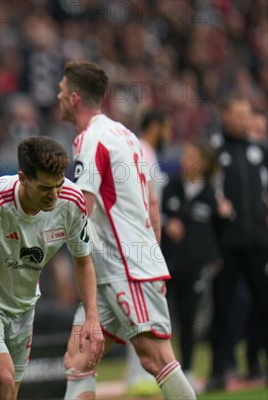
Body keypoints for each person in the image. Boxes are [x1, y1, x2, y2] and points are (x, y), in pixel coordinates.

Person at [58, 61, 197, 399]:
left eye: (61, 90)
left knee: (156, 358)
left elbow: (83, 206)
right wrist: (152, 251)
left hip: (125, 268)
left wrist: (49, 244)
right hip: (116, 268)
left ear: (75, 97)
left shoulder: (91, 139)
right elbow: (152, 204)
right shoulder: (127, 136)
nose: (57, 95)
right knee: (79, 357)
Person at [0, 135, 104, 400]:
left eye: (58, 185)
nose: (55, 195)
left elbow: (82, 260)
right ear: (23, 178)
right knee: (3, 379)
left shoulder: (72, 202)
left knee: (6, 394)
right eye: (46, 188)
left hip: (23, 307)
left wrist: (91, 315)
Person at [206, 96, 268, 391]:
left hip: (257, 240)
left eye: (247, 114)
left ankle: (256, 362)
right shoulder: (214, 149)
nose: (244, 120)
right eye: (238, 114)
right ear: (226, 115)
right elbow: (199, 186)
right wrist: (214, 207)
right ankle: (220, 369)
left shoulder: (259, 150)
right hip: (226, 243)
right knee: (223, 307)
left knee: (263, 302)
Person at [162, 139, 230, 391]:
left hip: (198, 269)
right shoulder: (171, 186)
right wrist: (168, 223)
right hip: (169, 266)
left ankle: (188, 369)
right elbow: (158, 216)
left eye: (191, 156)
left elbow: (220, 229)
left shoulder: (211, 192)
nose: (185, 161)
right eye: (184, 155)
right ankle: (160, 369)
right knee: (165, 318)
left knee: (192, 319)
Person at [123, 109, 174, 397]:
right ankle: (140, 377)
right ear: (155, 125)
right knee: (142, 316)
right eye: (167, 127)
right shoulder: (143, 151)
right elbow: (146, 203)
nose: (170, 134)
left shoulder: (140, 150)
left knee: (139, 316)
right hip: (141, 245)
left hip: (137, 243)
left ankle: (140, 376)